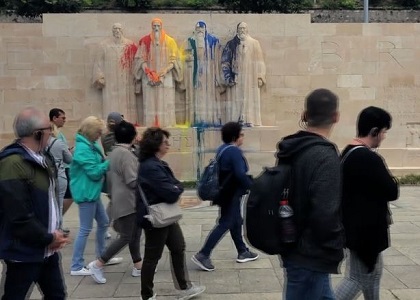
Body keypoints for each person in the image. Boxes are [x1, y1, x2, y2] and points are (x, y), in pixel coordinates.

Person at [275, 88, 344, 299]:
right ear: (336, 117)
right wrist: (337, 243)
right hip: (312, 255)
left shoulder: (291, 148)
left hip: (292, 245)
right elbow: (325, 212)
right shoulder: (324, 155)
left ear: (305, 115)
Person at [0, 107, 70, 299]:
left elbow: (48, 202)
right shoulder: (12, 164)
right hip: (23, 251)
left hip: (47, 250)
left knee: (56, 295)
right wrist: (48, 238)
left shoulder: (42, 158)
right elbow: (19, 215)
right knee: (15, 296)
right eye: (49, 129)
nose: (52, 132)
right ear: (37, 133)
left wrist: (54, 234)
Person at [335, 106, 399, 300]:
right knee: (356, 279)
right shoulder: (367, 157)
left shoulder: (348, 153)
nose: (384, 136)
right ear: (374, 131)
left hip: (356, 229)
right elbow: (391, 190)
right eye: (384, 132)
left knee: (373, 274)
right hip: (365, 233)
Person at [137, 127, 205, 300]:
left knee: (178, 247)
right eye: (165, 142)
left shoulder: (159, 164)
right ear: (155, 145)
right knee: (152, 257)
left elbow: (176, 184)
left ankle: (183, 287)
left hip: (167, 215)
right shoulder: (150, 167)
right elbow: (171, 191)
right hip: (156, 217)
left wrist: (175, 187)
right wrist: (175, 188)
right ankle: (146, 295)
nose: (168, 145)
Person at [191, 122, 258, 272]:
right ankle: (203, 254)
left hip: (226, 193)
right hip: (231, 193)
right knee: (226, 222)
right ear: (235, 137)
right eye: (241, 134)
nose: (243, 137)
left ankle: (242, 251)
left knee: (235, 221)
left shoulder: (223, 148)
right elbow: (240, 174)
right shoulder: (233, 151)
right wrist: (254, 187)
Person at [88, 120, 143, 284]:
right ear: (133, 136)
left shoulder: (114, 151)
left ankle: (138, 266)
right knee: (126, 236)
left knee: (134, 234)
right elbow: (132, 181)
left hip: (121, 200)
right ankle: (98, 263)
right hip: (128, 201)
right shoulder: (126, 154)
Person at [69, 116, 122, 276]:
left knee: (104, 222)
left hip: (92, 191)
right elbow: (93, 172)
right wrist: (110, 161)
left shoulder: (89, 145)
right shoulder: (83, 148)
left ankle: (102, 256)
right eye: (98, 132)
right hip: (86, 193)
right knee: (85, 228)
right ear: (91, 131)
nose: (100, 135)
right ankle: (76, 266)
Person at [134, 18, 182, 127]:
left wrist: (164, 71)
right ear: (151, 27)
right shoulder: (145, 41)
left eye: (158, 26)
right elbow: (141, 59)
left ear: (161, 27)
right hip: (149, 77)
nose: (156, 28)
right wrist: (148, 73)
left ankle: (167, 126)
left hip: (166, 76)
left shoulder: (170, 41)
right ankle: (150, 127)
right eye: (154, 26)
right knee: (150, 103)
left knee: (166, 103)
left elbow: (174, 60)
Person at [221, 22, 266, 126]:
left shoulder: (254, 43)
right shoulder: (231, 44)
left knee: (249, 98)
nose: (242, 30)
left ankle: (249, 119)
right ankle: (236, 120)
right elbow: (225, 61)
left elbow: (260, 61)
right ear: (237, 30)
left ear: (247, 30)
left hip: (250, 77)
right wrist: (228, 77)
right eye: (240, 28)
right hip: (237, 77)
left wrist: (260, 76)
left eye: (244, 28)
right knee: (236, 99)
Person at [93, 23, 138, 122]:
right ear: (112, 31)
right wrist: (99, 76)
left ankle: (127, 121)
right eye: (115, 29)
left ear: (122, 31)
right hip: (110, 77)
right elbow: (98, 62)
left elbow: (136, 61)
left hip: (125, 77)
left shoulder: (130, 44)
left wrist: (136, 77)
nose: (117, 31)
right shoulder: (104, 45)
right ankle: (110, 121)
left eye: (119, 29)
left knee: (126, 100)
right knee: (110, 99)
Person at [182, 21, 223, 127]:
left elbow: (218, 60)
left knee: (209, 97)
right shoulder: (191, 41)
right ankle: (198, 119)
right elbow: (185, 56)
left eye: (201, 29)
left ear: (205, 30)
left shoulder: (213, 41)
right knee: (197, 98)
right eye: (198, 29)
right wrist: (189, 59)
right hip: (195, 75)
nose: (200, 31)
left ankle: (209, 119)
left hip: (208, 75)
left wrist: (217, 77)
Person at [46, 126, 73, 224]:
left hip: (45, 176)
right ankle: (58, 228)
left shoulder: (39, 144)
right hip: (59, 176)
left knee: (49, 204)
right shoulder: (59, 143)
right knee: (59, 205)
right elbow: (69, 160)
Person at [49, 108, 74, 215]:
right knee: (66, 196)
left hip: (61, 168)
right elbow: (66, 156)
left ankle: (58, 221)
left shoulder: (58, 133)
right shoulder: (55, 134)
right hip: (61, 168)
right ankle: (58, 220)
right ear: (54, 118)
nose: (64, 120)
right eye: (62, 118)